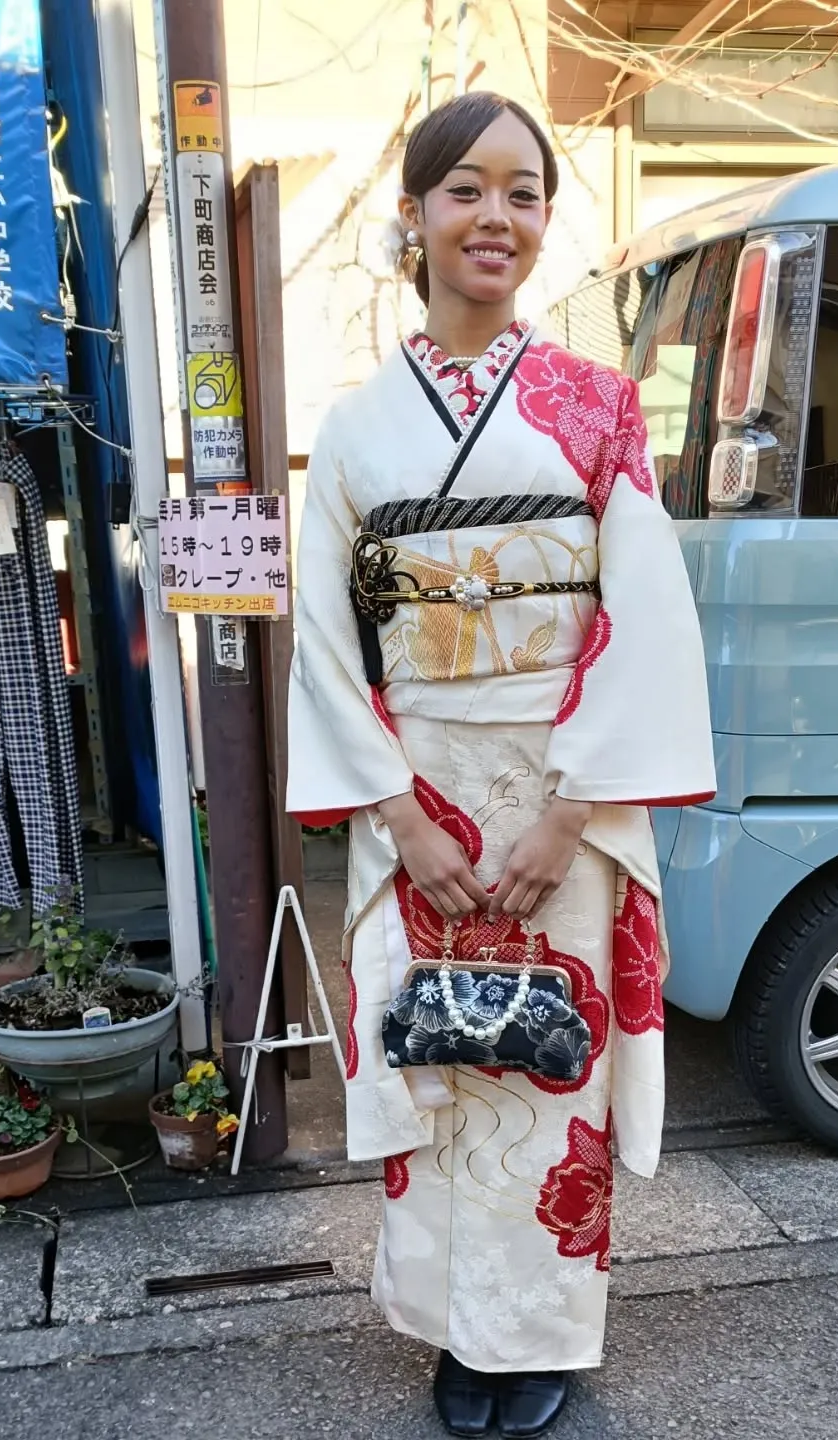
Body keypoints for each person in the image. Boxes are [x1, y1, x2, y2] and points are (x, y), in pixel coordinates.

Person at [286, 91, 716, 1439]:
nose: (498, 217)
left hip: (558, 794)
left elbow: (642, 615)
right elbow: (322, 632)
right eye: (465, 189)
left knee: (545, 1070)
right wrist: (404, 819)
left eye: (525, 193)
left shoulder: (596, 407)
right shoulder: (355, 430)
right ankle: (451, 1332)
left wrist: (573, 810)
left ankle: (535, 1339)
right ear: (411, 218)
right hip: (418, 793)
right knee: (442, 1062)